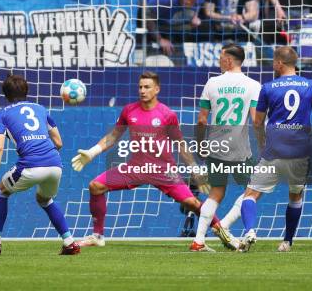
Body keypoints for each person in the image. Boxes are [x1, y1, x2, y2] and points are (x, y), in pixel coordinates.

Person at [71, 72, 235, 250]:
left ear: (157, 89)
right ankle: (97, 236)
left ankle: (223, 232)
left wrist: (195, 170)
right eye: (140, 87)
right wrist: (92, 152)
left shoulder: (167, 114)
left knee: (192, 203)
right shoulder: (129, 110)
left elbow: (180, 145)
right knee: (95, 186)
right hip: (136, 168)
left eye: (147, 87)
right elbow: (113, 136)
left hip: (163, 170)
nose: (142, 90)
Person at [239, 46, 312, 252]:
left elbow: (257, 122)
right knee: (295, 195)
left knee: (251, 194)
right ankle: (287, 242)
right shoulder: (310, 84)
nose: (272, 64)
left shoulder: (269, 87)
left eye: (273, 61)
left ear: (279, 63)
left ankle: (249, 231)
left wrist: (262, 143)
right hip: (300, 153)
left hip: (274, 151)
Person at [0, 75, 81, 256]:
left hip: (30, 165)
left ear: (5, 94)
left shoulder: (2, 114)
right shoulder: (41, 109)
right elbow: (58, 142)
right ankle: (69, 242)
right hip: (55, 165)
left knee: (2, 191)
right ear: (26, 91)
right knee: (45, 199)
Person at [190, 44, 261, 252]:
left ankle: (198, 241)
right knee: (253, 190)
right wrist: (264, 143)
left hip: (215, 148)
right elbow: (256, 120)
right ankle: (225, 225)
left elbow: (202, 120)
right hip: (240, 150)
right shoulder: (253, 85)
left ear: (229, 60)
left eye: (221, 57)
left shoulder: (212, 83)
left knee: (216, 193)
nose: (219, 61)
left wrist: (201, 144)